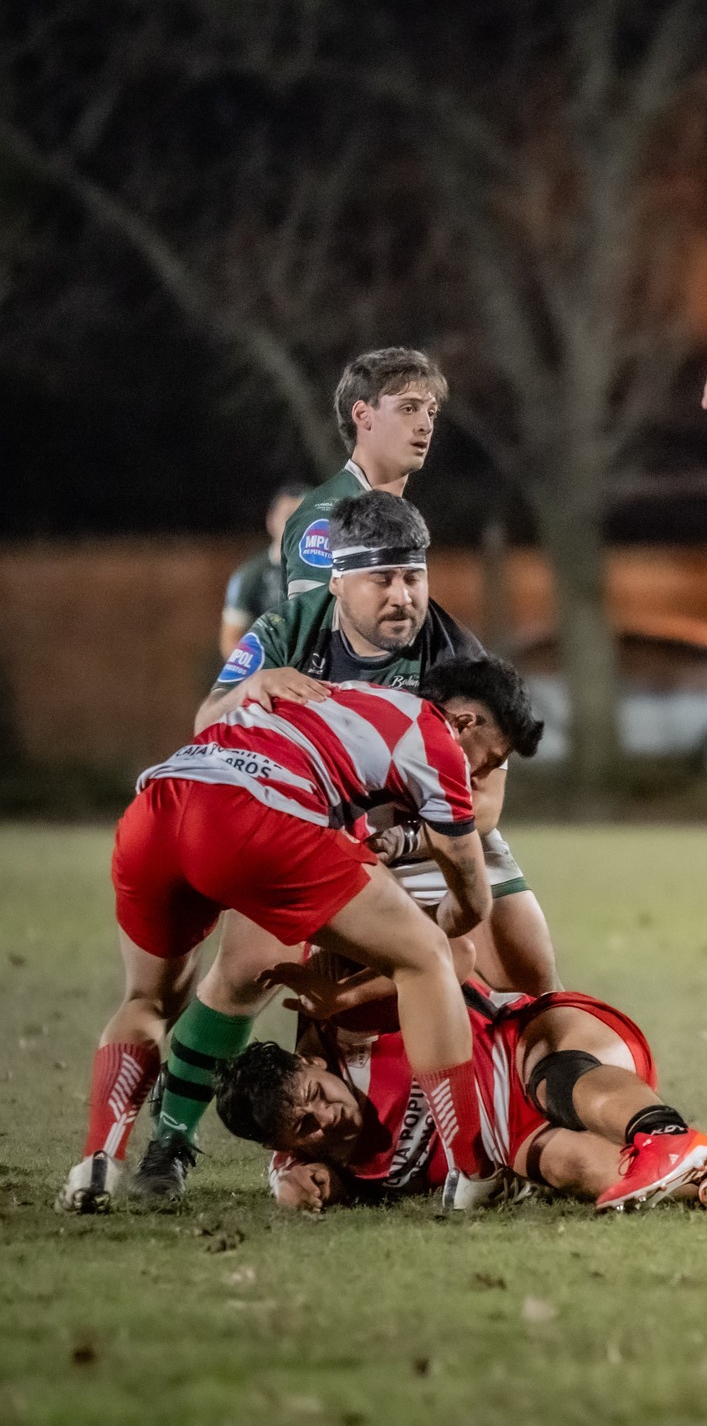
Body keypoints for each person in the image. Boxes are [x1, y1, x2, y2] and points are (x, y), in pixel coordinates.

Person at [120, 492, 563, 1205]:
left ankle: (545, 1112)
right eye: (382, 579)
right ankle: (173, 1141)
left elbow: (484, 802)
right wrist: (256, 686)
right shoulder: (287, 628)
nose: (402, 595)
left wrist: (413, 840)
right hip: (306, 824)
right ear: (339, 581)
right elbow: (207, 721)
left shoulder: (455, 653)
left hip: (433, 833)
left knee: (531, 968)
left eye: (413, 577)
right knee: (248, 967)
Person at [57, 656, 544, 1214]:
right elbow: (473, 900)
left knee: (146, 999)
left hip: (158, 808)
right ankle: (475, 1171)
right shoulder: (433, 740)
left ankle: (98, 1160)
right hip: (251, 817)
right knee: (426, 958)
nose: (482, 775)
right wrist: (429, 932)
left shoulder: (335, 699)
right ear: (464, 724)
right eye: (493, 759)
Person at [212, 965, 707, 1215]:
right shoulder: (334, 1173)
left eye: (318, 1092)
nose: (329, 1115)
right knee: (573, 1164)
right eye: (306, 1127)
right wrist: (291, 1184)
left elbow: (444, 959)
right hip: (510, 1136)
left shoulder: (349, 1035)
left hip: (528, 1041)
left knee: (556, 1077)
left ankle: (662, 1135)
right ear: (290, 1144)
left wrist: (345, 996)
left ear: (311, 1065)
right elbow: (299, 1179)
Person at [282, 347, 444, 599]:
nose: (426, 426)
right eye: (409, 408)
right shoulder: (327, 518)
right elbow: (313, 634)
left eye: (431, 412)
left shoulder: (393, 515)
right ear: (362, 415)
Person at [219, 483, 308, 659]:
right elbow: (231, 640)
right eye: (288, 516)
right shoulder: (251, 575)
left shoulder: (327, 573)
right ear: (271, 521)